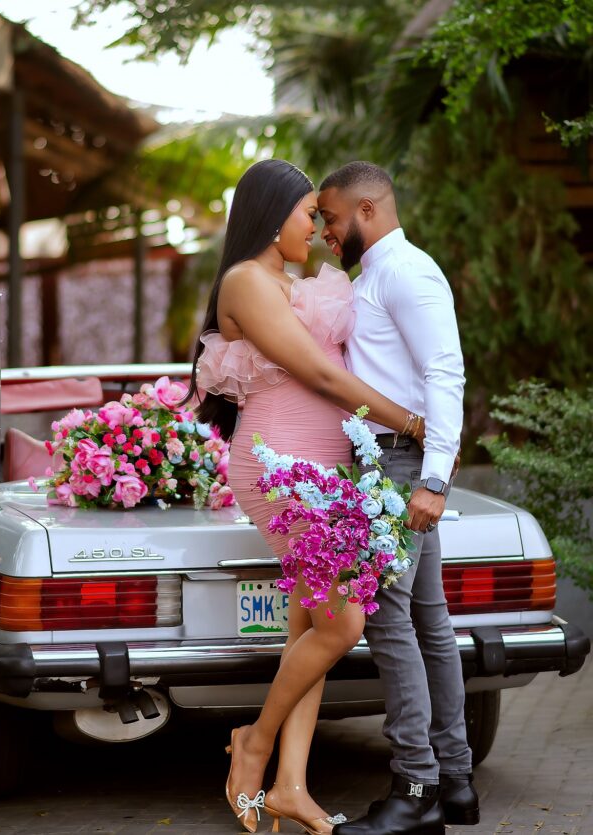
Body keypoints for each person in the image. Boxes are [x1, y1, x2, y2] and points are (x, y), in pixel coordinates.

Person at [184, 159, 427, 835]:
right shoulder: (246, 281)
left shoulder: (294, 285)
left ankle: (290, 784)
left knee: (311, 627)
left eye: (324, 216)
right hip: (282, 468)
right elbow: (319, 373)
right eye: (308, 214)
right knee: (343, 623)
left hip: (328, 466)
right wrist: (411, 421)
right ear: (272, 213)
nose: (318, 228)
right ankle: (254, 745)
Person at [318, 161, 478, 835]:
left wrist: (434, 477)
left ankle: (415, 784)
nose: (325, 231)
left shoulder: (405, 272)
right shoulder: (374, 277)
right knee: (429, 621)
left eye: (330, 218)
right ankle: (455, 783)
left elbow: (446, 370)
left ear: (367, 211)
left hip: (398, 464)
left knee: (385, 617)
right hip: (388, 460)